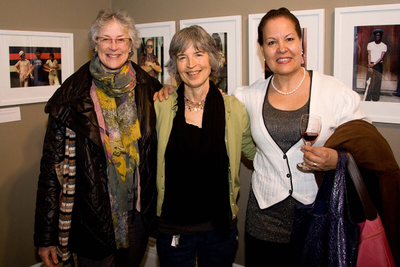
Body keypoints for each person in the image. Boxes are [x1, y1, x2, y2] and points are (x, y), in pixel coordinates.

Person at [232, 8, 371, 266]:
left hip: (318, 219)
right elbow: (210, 104)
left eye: (289, 39)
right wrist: (172, 89)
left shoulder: (333, 92)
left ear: (301, 43)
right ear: (262, 50)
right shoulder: (247, 97)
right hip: (263, 224)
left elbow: (366, 147)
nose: (282, 48)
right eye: (272, 42)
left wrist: (338, 159)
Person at [34, 9, 164, 267]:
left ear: (131, 44)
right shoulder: (70, 96)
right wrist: (46, 236)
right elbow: (51, 170)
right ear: (95, 44)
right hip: (92, 219)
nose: (113, 46)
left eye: (121, 39)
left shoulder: (150, 89)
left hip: (137, 216)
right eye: (105, 39)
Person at [154, 25, 255, 267]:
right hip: (173, 228)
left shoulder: (234, 109)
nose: (191, 64)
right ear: (175, 65)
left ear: (212, 58)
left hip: (218, 229)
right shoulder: (161, 106)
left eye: (198, 54)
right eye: (182, 57)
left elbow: (256, 154)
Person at [365, 29, 387, 101]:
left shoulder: (384, 46)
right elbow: (369, 55)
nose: (377, 37)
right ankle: (367, 97)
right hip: (370, 63)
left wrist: (373, 64)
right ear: (374, 36)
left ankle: (375, 98)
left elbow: (381, 57)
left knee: (377, 82)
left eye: (379, 35)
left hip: (378, 65)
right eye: (376, 35)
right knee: (369, 81)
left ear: (381, 36)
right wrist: (369, 65)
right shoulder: (370, 44)